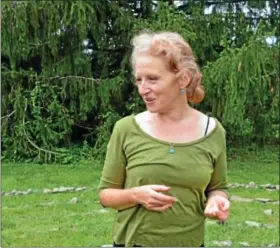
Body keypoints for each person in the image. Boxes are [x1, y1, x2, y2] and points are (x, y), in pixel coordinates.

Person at [98, 31, 230, 247]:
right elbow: (105, 195)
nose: (143, 89)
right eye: (139, 80)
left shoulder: (213, 132)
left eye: (152, 79)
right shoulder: (126, 129)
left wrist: (217, 201)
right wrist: (135, 195)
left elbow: (218, 187)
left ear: (183, 79)